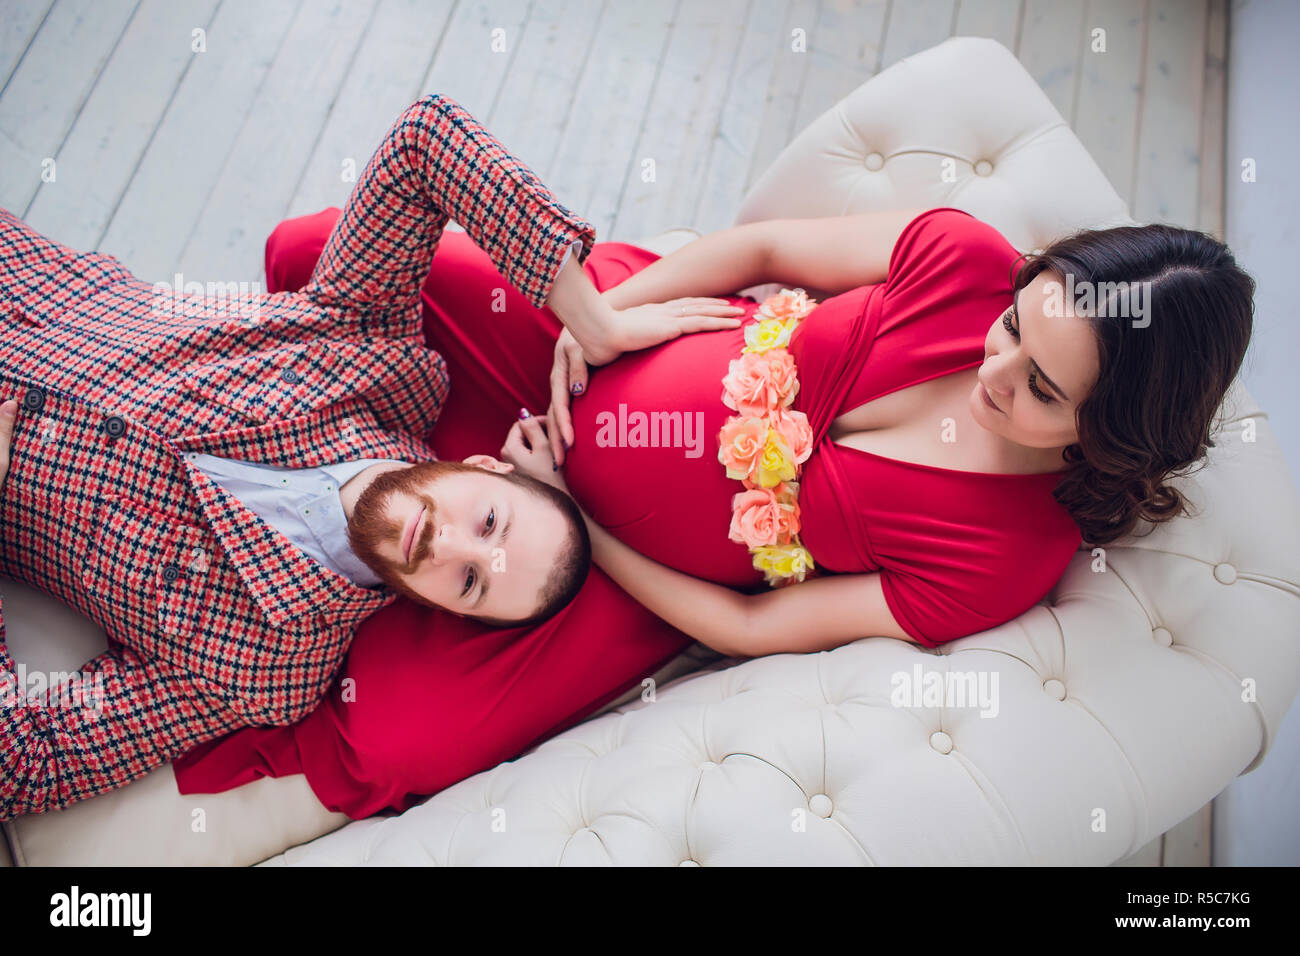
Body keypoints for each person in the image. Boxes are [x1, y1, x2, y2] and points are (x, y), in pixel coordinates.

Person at [171, 201, 1254, 817]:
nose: (996, 369)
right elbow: (764, 251)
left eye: (1042, 390)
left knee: (390, 736)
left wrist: (571, 523)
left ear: (1108, 434)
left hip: (624, 571)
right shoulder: (961, 259)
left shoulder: (1005, 557)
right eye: (1016, 325)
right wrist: (591, 322)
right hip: (610, 345)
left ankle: (385, 509)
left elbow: (744, 627)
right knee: (316, 251)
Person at [0, 92, 735, 819]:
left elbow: (23, 767)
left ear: (444, 610)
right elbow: (427, 139)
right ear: (481, 467)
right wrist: (593, 319)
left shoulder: (265, 666)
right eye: (486, 523)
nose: (446, 545)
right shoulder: (370, 349)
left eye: (472, 583)